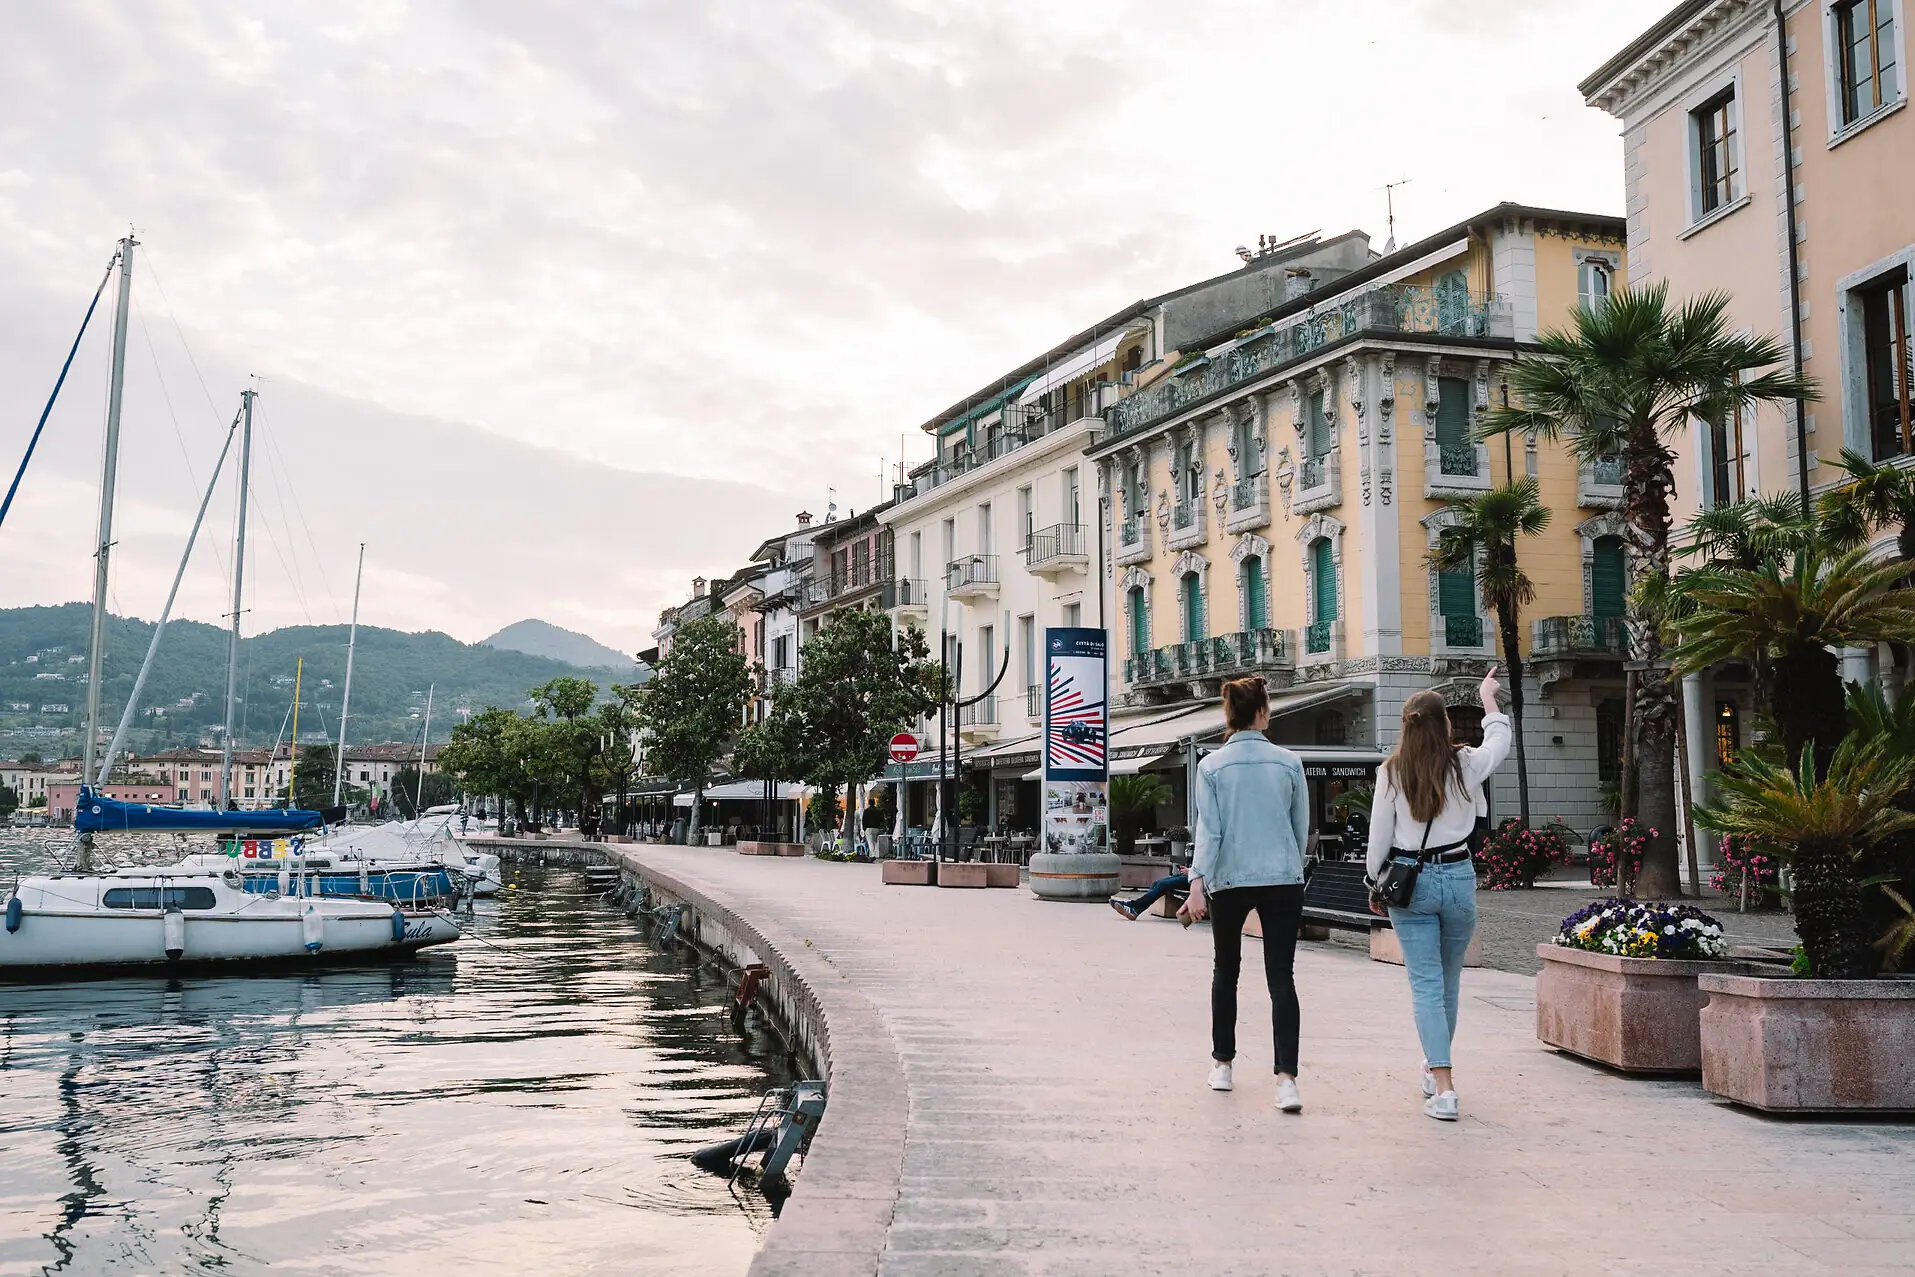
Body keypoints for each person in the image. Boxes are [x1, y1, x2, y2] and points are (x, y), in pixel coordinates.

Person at [1364, 667, 1511, 1122]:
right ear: (1444, 723)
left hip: (1413, 883)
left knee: (1426, 985)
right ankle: (1433, 1068)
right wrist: (1489, 700)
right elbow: (1499, 745)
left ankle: (1443, 1087)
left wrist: (1375, 883)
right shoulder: (1464, 764)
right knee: (1448, 983)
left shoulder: (1391, 773)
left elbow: (1378, 842)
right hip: (1459, 876)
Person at [1182, 676, 1312, 1113]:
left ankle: (1223, 1064)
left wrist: (1197, 881)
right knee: (1282, 978)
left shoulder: (1211, 767)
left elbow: (1210, 831)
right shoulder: (1290, 763)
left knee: (1226, 971)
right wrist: (1290, 866)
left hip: (1230, 879)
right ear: (1261, 711)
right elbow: (1300, 829)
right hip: (1282, 876)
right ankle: (1287, 1081)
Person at [1110, 864, 1188, 921]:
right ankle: (1135, 910)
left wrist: (1189, 871)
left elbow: (1200, 871)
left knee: (1162, 885)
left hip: (1197, 880)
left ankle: (1133, 907)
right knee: (1156, 883)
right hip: (1192, 876)